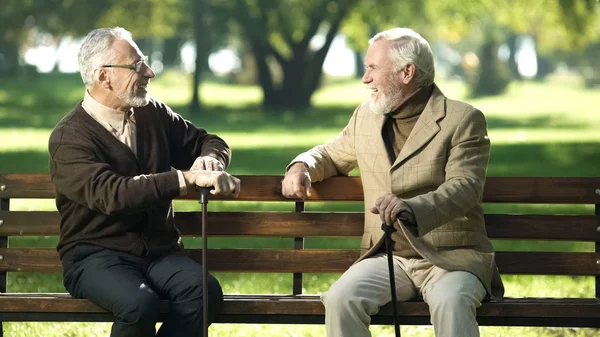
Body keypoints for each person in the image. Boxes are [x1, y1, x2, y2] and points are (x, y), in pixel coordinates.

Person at [281, 27, 504, 337]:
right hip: (387, 257)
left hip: (451, 259)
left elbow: (465, 187)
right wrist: (302, 165)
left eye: (373, 68)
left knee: (451, 302)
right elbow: (331, 155)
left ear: (407, 72)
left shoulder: (463, 119)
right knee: (341, 298)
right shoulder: (366, 116)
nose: (365, 78)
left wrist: (410, 207)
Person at [48, 27, 240, 337]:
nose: (149, 72)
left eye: (144, 62)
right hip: (94, 257)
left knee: (204, 293)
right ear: (103, 76)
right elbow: (112, 194)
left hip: (161, 253)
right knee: (138, 304)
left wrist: (210, 160)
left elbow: (209, 141)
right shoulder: (69, 138)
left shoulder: (153, 113)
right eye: (136, 65)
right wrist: (186, 178)